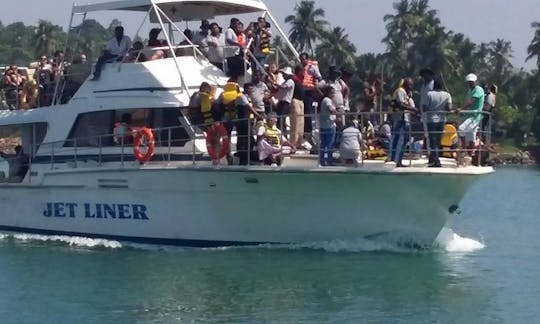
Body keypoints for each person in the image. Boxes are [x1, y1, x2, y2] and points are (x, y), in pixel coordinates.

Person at [423, 80, 452, 167]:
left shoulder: (429, 94)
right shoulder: (447, 95)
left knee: (433, 141)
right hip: (442, 120)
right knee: (438, 141)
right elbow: (449, 108)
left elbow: (425, 108)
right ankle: (432, 158)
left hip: (431, 120)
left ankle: (436, 161)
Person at [389, 78, 417, 167]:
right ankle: (396, 161)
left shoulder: (406, 94)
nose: (411, 87)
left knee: (400, 140)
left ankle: (396, 159)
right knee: (401, 140)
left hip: (404, 119)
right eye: (410, 85)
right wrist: (412, 109)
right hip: (401, 119)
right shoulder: (400, 91)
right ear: (406, 84)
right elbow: (401, 104)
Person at [457, 73, 485, 157]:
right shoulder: (470, 91)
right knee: (471, 135)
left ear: (475, 81)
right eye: (469, 82)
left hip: (475, 116)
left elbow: (471, 101)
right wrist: (463, 111)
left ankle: (464, 150)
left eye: (472, 82)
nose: (470, 83)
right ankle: (471, 155)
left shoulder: (478, 89)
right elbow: (469, 103)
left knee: (461, 129)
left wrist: (461, 109)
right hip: (470, 115)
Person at [300, 53, 322, 137]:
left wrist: (315, 84)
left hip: (310, 91)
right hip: (303, 91)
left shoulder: (311, 67)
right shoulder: (301, 67)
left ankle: (309, 130)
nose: (302, 61)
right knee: (304, 110)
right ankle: (305, 129)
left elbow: (319, 77)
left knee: (308, 110)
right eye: (301, 59)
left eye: (304, 59)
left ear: (307, 59)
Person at [318, 85, 338, 166]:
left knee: (323, 144)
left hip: (324, 125)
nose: (333, 94)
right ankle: (329, 160)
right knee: (330, 144)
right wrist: (338, 113)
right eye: (332, 93)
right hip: (329, 125)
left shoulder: (325, 100)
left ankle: (322, 160)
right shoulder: (327, 100)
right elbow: (330, 109)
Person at [275, 67, 295, 132]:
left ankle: (283, 134)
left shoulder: (290, 81)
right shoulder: (285, 82)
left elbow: (283, 87)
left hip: (285, 103)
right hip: (281, 102)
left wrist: (274, 83)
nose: (283, 75)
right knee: (279, 119)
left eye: (284, 74)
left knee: (281, 120)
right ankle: (281, 133)